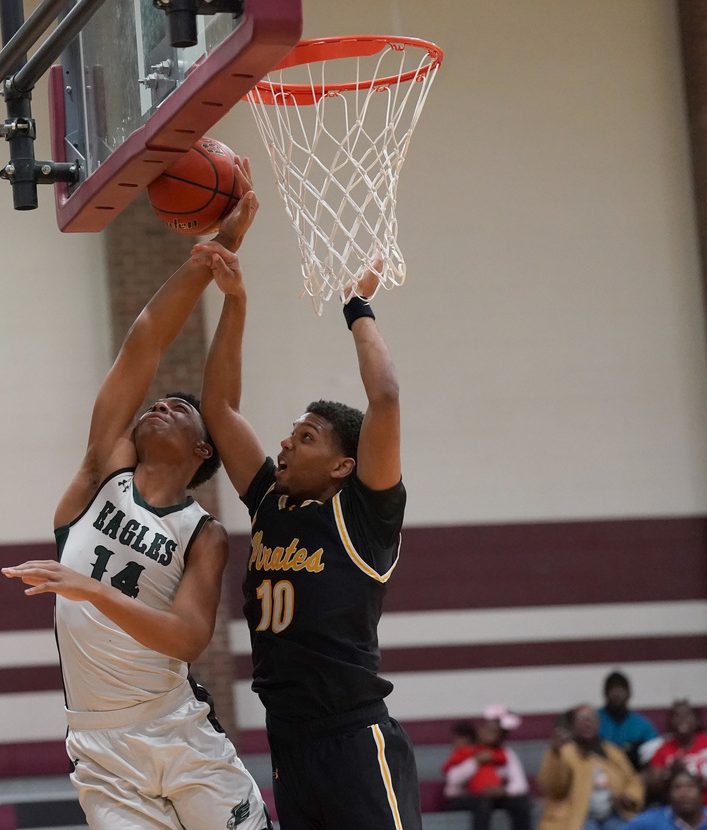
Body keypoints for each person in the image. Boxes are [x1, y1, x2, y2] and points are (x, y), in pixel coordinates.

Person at [1, 164, 271, 830]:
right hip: (98, 744)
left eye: (181, 408)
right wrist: (213, 254)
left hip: (177, 729)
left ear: (204, 450)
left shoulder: (202, 532)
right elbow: (145, 341)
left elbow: (186, 637)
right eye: (160, 400)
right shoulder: (103, 476)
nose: (162, 403)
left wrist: (91, 589)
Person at [197, 240, 418, 829]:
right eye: (292, 431)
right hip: (287, 741)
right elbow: (217, 408)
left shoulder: (365, 516)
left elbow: (386, 399)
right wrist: (236, 301)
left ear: (344, 465)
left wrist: (357, 305)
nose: (287, 442)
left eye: (308, 437)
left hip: (352, 737)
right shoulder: (270, 500)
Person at [538, 703, 645, 830]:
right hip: (578, 818)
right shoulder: (564, 752)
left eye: (592, 719)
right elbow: (553, 787)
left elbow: (632, 780)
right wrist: (556, 754)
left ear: (598, 724)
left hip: (613, 815)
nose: (588, 723)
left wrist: (630, 796)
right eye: (583, 719)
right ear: (573, 725)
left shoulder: (612, 751)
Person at [443, 705, 534, 830]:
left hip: (496, 796)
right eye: (486, 728)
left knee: (521, 804)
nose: (488, 733)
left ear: (501, 736)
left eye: (494, 731)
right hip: (467, 798)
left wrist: (502, 791)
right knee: (482, 805)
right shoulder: (465, 750)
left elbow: (520, 785)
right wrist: (475, 762)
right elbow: (453, 780)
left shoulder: (505, 754)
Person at [646, 700, 707, 810]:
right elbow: (652, 786)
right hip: (677, 810)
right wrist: (670, 772)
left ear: (697, 720)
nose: (682, 719)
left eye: (687, 715)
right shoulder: (662, 750)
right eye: (677, 716)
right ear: (670, 722)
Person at [624, 769, 707, 830]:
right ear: (669, 795)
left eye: (690, 787)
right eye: (677, 787)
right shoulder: (649, 821)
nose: (684, 793)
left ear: (701, 793)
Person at [598, 671, 658, 771]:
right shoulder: (593, 722)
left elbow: (655, 757)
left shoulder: (643, 726)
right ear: (605, 693)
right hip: (600, 776)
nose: (617, 693)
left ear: (629, 693)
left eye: (621, 688)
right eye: (612, 689)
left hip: (635, 776)